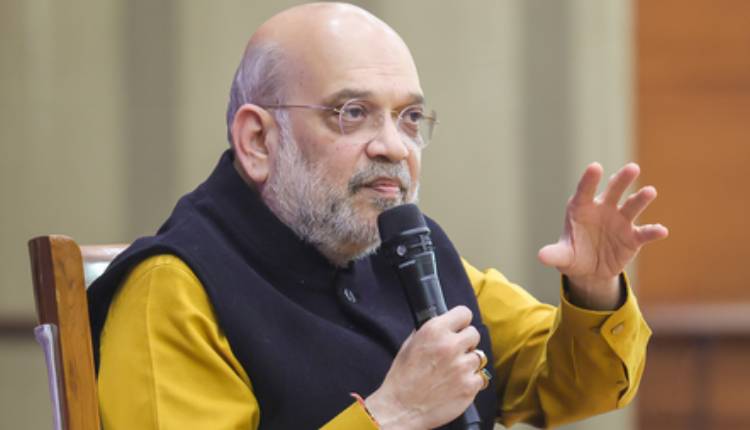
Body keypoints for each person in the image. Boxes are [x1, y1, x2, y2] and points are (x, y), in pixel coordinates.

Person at [88, 3, 668, 429]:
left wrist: (595, 290)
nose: (394, 146)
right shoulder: (174, 290)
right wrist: (392, 415)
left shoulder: (403, 247)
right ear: (259, 140)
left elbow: (567, 384)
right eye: (352, 112)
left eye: (410, 118)